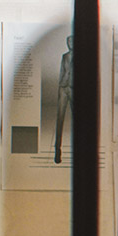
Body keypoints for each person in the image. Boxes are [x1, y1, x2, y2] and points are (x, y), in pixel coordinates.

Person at [53, 35, 73, 164]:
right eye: (68, 42)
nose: (70, 43)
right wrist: (60, 86)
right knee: (59, 119)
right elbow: (62, 71)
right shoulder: (64, 56)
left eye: (72, 41)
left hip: (73, 88)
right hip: (63, 87)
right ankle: (57, 151)